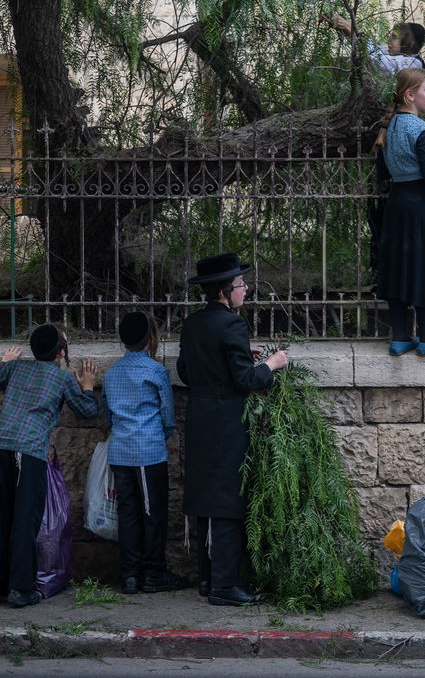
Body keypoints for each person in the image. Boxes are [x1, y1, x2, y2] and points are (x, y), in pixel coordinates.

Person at [177, 252, 289, 606]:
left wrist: (237, 356)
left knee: (207, 497)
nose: (245, 289)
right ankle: (225, 586)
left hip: (199, 417)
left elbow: (186, 370)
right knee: (227, 500)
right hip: (226, 420)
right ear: (225, 291)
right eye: (241, 285)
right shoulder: (233, 325)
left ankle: (209, 579)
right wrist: (272, 363)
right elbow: (246, 380)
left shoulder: (192, 323)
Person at [0, 323, 99, 608]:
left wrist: (3, 363)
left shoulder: (17, 369)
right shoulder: (63, 379)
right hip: (29, 453)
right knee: (24, 520)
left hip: (3, 447)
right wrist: (87, 387)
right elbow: (88, 411)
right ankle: (20, 588)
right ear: (61, 352)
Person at [103, 311, 189, 595]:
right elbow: (167, 417)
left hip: (119, 451)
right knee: (153, 513)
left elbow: (107, 414)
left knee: (127, 512)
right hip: (148, 451)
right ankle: (153, 572)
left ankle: (129, 575)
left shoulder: (113, 372)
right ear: (151, 338)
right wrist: (157, 436)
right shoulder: (155, 372)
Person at [374, 67, 425, 356]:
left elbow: (383, 170)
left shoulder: (390, 125)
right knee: (423, 265)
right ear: (410, 95)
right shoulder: (422, 129)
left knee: (398, 267)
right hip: (421, 205)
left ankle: (400, 337)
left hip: (397, 204)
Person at [326, 15, 425, 78]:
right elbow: (373, 49)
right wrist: (346, 28)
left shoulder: (415, 64)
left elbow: (380, 63)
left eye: (394, 37)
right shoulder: (393, 53)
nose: (389, 41)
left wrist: (351, 28)